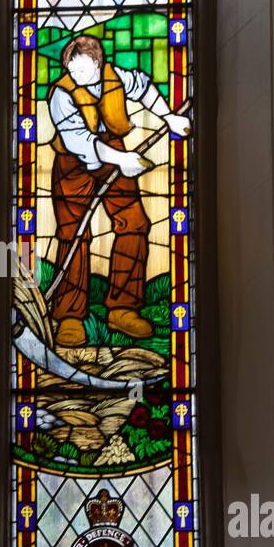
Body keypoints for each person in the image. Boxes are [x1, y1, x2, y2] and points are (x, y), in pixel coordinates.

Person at [47, 34, 190, 346]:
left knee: (135, 223)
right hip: (73, 163)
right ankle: (71, 315)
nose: (77, 76)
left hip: (113, 152)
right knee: (74, 234)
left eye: (83, 70)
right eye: (72, 70)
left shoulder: (117, 77)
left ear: (99, 63)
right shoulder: (60, 94)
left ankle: (123, 308)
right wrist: (122, 159)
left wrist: (169, 117)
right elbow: (78, 141)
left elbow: (144, 87)